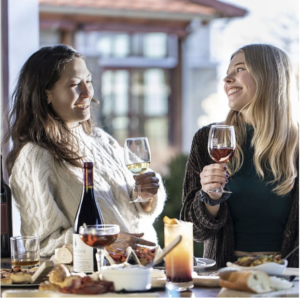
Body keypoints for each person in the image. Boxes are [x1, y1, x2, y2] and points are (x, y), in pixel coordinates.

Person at [3, 44, 166, 257]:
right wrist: (108, 240)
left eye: (88, 81)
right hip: (95, 280)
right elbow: (42, 243)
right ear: (46, 95)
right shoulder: (36, 156)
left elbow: (134, 213)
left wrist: (145, 197)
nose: (87, 92)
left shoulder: (102, 140)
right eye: (74, 84)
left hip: (146, 266)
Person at [180, 44, 299, 268]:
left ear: (269, 76)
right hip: (224, 279)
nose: (227, 79)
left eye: (240, 69)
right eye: (228, 72)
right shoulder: (208, 139)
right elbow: (194, 230)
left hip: (289, 282)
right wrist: (210, 198)